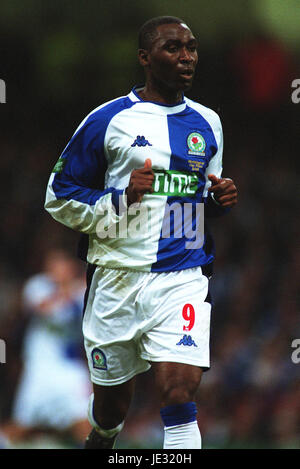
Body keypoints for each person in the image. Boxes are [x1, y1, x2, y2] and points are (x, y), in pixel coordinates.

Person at [44, 16, 237, 449]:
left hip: (181, 276)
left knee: (179, 395)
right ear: (145, 58)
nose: (186, 57)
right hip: (116, 277)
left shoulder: (209, 123)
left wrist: (217, 202)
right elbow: (57, 196)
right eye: (173, 48)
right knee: (112, 408)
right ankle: (102, 437)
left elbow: (196, 200)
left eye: (191, 48)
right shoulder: (107, 120)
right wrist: (121, 197)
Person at [2, 250, 91, 447]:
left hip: (69, 370)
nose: (58, 269)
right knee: (23, 427)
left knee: (86, 425)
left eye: (62, 264)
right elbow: (43, 308)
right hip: (40, 369)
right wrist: (69, 288)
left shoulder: (82, 291)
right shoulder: (37, 286)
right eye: (54, 265)